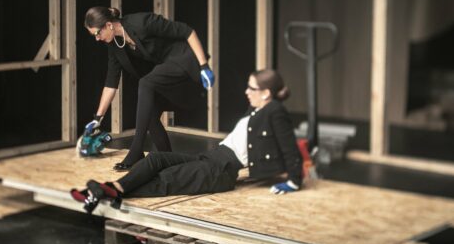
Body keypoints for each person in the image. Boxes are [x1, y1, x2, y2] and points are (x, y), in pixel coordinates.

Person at [71, 69, 303, 213]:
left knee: (168, 178)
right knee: (156, 159)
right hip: (211, 158)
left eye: (252, 88)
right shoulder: (257, 109)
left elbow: (289, 147)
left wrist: (293, 181)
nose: (246, 91)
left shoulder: (274, 111)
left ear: (266, 93)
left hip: (221, 171)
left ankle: (102, 191)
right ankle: (111, 189)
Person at [83, 7, 214, 171]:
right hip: (166, 70)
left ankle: (136, 152)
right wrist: (98, 118)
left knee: (145, 83)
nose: (97, 39)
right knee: (149, 111)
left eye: (97, 33)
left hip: (185, 61)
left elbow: (187, 31)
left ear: (109, 25)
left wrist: (204, 66)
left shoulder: (142, 22)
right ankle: (168, 159)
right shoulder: (114, 45)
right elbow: (111, 82)